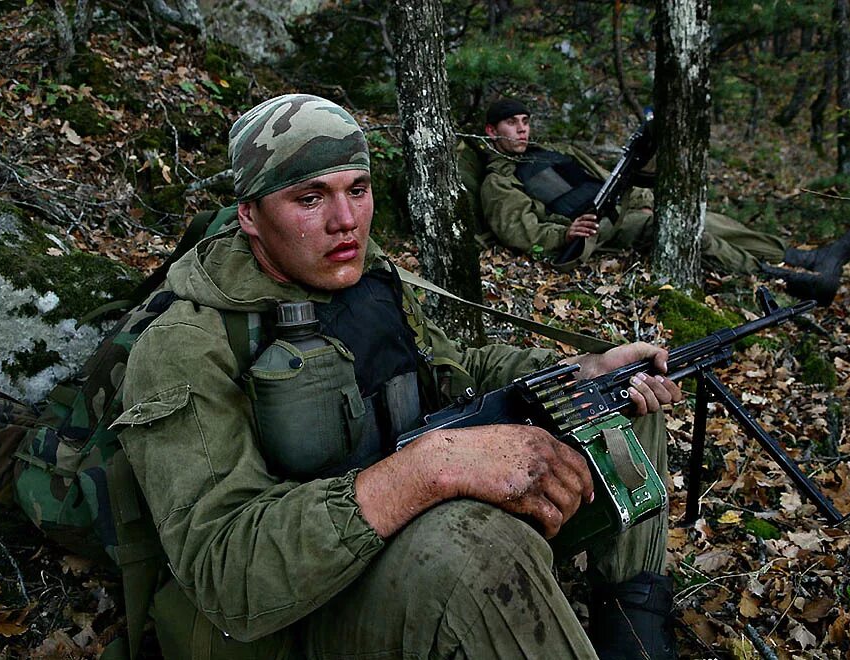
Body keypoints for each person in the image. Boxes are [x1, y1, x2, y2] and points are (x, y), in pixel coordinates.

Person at [115, 94, 685, 660]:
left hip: (400, 529)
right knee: (478, 551)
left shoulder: (364, 277)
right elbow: (226, 575)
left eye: (357, 191)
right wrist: (434, 468)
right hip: (293, 615)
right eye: (310, 198)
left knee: (612, 406)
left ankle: (635, 636)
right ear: (249, 215)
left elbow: (453, 366)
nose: (346, 221)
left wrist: (580, 370)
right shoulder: (185, 346)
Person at [479, 98, 850, 306]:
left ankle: (807, 258)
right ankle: (785, 279)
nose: (522, 129)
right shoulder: (500, 179)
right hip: (596, 229)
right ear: (491, 132)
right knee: (672, 230)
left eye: (525, 120)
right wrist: (565, 233)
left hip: (616, 201)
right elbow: (519, 230)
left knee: (701, 218)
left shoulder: (552, 151)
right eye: (513, 123)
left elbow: (602, 176)